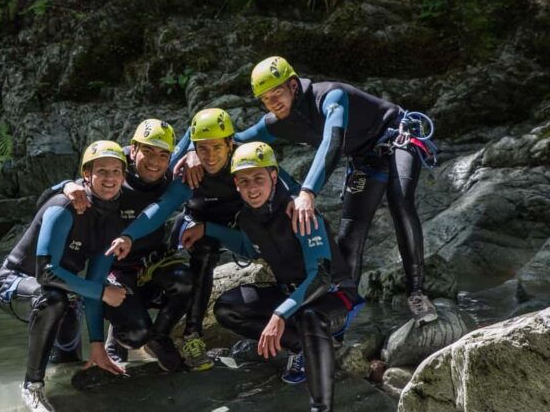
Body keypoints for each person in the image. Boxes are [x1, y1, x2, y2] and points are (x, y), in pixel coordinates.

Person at [176, 56, 437, 325]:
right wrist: (193, 148)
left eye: (277, 93)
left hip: (397, 137)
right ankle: (341, 318)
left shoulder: (331, 97)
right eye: (265, 99)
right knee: (350, 235)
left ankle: (417, 294)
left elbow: (332, 142)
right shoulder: (276, 122)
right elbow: (231, 139)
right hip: (365, 160)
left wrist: (307, 192)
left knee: (400, 200)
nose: (273, 102)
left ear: (293, 85)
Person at [195, 142, 362, 412]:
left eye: (258, 178)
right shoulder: (247, 217)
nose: (252, 188)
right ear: (236, 184)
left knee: (310, 316)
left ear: (274, 176)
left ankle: (321, 407)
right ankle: (300, 346)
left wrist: (280, 315)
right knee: (227, 308)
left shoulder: (300, 210)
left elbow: (321, 277)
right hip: (291, 294)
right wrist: (206, 229)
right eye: (244, 181)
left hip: (334, 296)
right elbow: (250, 248)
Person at [108, 108, 275, 371]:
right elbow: (161, 208)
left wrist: (305, 196)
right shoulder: (184, 170)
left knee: (209, 249)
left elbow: (273, 144)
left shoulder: (244, 161)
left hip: (228, 227)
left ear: (230, 144)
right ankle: (189, 336)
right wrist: (128, 235)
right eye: (202, 148)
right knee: (199, 254)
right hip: (189, 226)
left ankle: (170, 335)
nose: (210, 155)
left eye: (217, 147)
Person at [0, 141, 129, 412]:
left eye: (116, 171)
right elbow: (46, 272)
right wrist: (101, 293)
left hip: (60, 289)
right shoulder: (64, 205)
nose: (109, 178)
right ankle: (32, 387)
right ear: (87, 174)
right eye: (101, 171)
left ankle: (56, 379)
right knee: (53, 300)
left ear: (123, 176)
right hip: (13, 281)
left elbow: (96, 282)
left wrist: (97, 345)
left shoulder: (112, 219)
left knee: (67, 362)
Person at [52, 119, 194, 372]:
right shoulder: (114, 171)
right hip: (112, 266)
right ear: (133, 149)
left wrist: (193, 152)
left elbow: (196, 130)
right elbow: (86, 180)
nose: (154, 161)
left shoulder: (171, 170)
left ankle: (159, 338)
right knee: (135, 333)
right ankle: (120, 337)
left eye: (163, 155)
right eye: (147, 151)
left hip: (151, 264)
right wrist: (65, 185)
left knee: (186, 281)